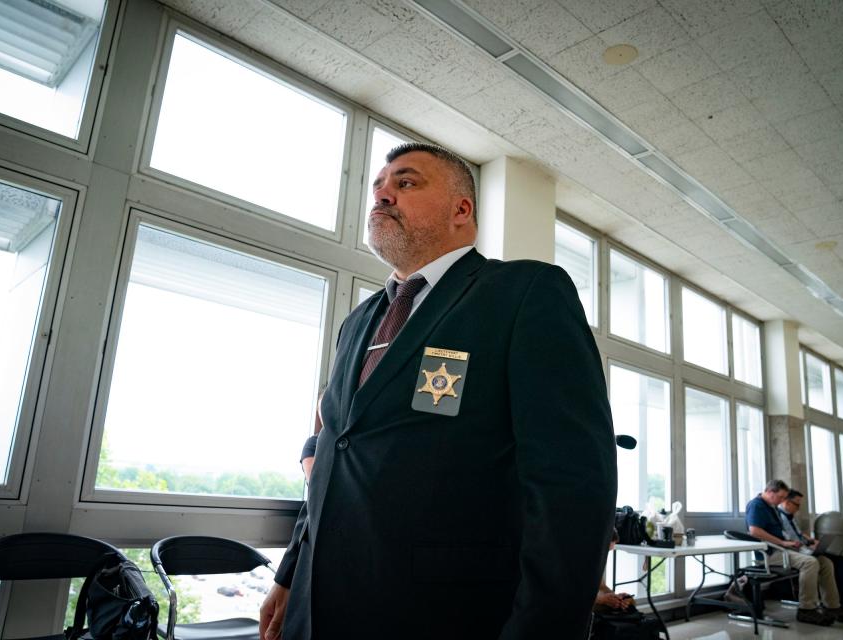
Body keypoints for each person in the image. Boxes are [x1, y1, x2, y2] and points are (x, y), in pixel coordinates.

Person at [260, 142, 617, 639]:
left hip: (442, 614)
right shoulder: (358, 322)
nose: (383, 196)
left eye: (405, 183)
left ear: (461, 209)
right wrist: (291, 572)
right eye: (379, 188)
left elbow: (573, 483)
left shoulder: (523, 293)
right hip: (315, 608)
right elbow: (333, 457)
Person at [745, 479, 842, 626]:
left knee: (825, 562)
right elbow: (755, 531)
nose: (783, 501)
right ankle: (806, 609)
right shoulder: (756, 505)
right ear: (770, 492)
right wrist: (783, 543)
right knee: (810, 563)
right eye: (781, 497)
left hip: (782, 549)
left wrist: (792, 542)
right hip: (769, 554)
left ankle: (832, 606)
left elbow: (781, 532)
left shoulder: (773, 507)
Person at [777, 489, 843, 621]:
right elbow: (789, 540)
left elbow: (799, 534)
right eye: (796, 504)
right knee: (838, 564)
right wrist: (806, 545)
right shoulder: (780, 517)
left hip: (804, 549)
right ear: (786, 502)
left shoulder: (790, 517)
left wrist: (811, 541)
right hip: (798, 553)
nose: (798, 508)